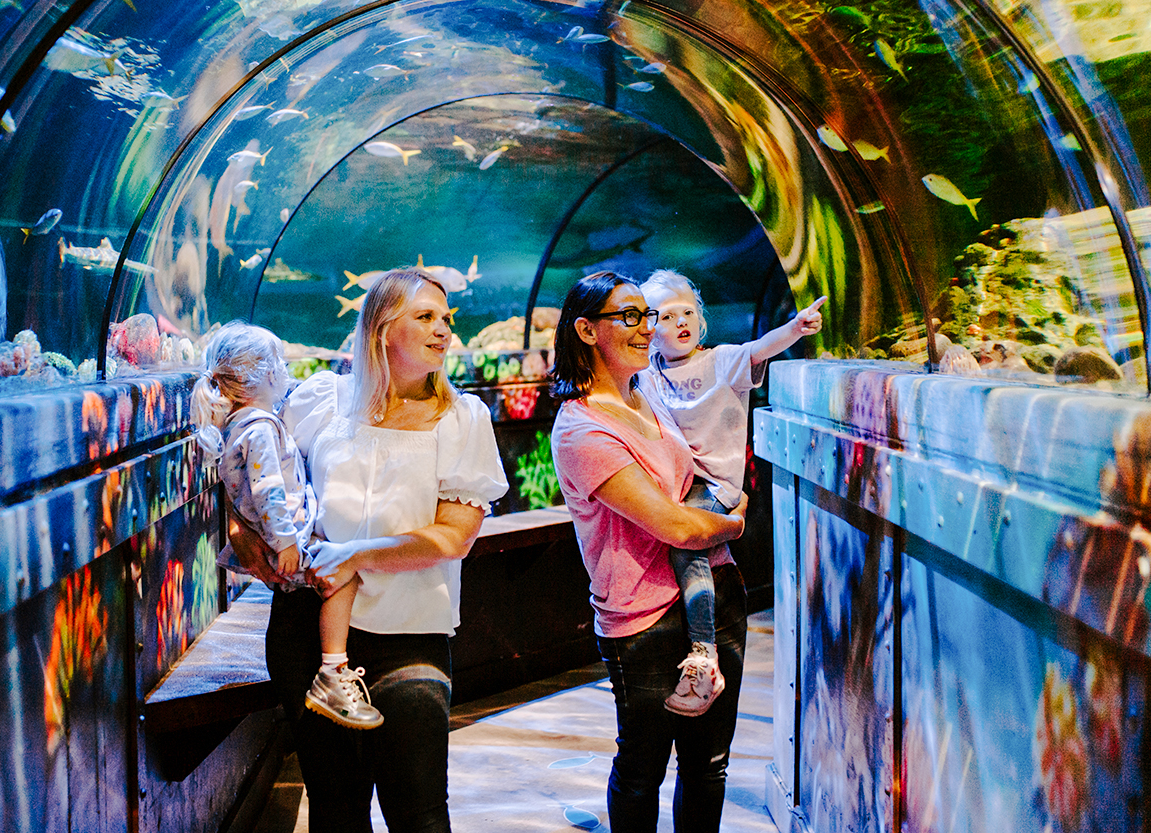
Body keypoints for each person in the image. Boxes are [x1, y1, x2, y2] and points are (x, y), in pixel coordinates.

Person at [225, 268, 507, 833]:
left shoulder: (462, 418)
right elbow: (251, 458)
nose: (443, 331)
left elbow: (455, 535)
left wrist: (354, 555)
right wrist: (238, 526)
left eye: (445, 318)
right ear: (380, 329)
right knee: (335, 807)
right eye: (425, 317)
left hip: (410, 632)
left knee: (420, 810)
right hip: (307, 628)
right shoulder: (319, 401)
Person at [549, 271, 748, 833]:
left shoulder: (648, 400)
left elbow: (693, 495)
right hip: (643, 620)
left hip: (715, 595)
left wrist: (715, 523)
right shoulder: (581, 429)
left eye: (648, 315)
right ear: (587, 330)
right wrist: (732, 523)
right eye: (630, 316)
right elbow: (676, 527)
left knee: (708, 767)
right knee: (642, 769)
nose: (647, 327)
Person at [635, 270, 824, 716]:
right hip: (676, 483)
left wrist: (795, 328)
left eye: (688, 312)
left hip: (714, 485)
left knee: (686, 547)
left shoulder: (721, 361)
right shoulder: (651, 373)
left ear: (700, 320)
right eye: (665, 315)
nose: (680, 321)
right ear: (648, 328)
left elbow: (760, 348)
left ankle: (704, 654)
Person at [193, 321, 384, 728]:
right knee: (343, 575)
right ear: (257, 377)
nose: (284, 370)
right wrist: (285, 542)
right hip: (289, 540)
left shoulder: (238, 426)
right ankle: (333, 671)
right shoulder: (260, 427)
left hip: (280, 538)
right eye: (277, 363)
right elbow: (266, 490)